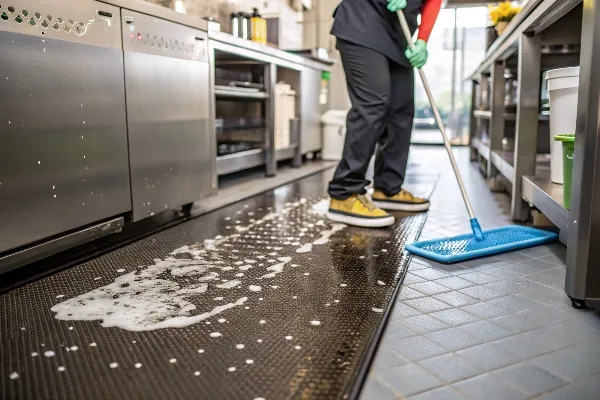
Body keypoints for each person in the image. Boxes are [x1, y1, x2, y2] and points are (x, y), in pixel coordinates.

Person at [326, 0, 442, 228]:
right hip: (363, 22)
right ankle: (344, 193)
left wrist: (422, 40)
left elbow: (433, 1)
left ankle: (388, 188)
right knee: (372, 103)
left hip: (400, 32)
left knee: (401, 110)